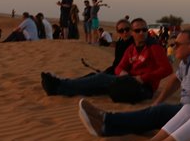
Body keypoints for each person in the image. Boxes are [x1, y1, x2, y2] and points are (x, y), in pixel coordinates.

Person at [78, 29, 190, 137]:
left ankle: (106, 119)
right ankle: (107, 128)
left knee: (159, 113)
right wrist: (158, 101)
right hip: (186, 110)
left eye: (177, 44)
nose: (173, 47)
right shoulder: (186, 61)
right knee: (153, 116)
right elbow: (175, 79)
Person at [41, 18, 172, 100]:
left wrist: (142, 78)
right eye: (137, 30)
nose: (141, 33)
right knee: (97, 86)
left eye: (144, 30)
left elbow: (167, 69)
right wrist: (123, 73)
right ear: (133, 32)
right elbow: (120, 66)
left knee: (100, 79)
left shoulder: (154, 47)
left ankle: (59, 85)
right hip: (129, 82)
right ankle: (59, 87)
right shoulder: (131, 48)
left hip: (144, 89)